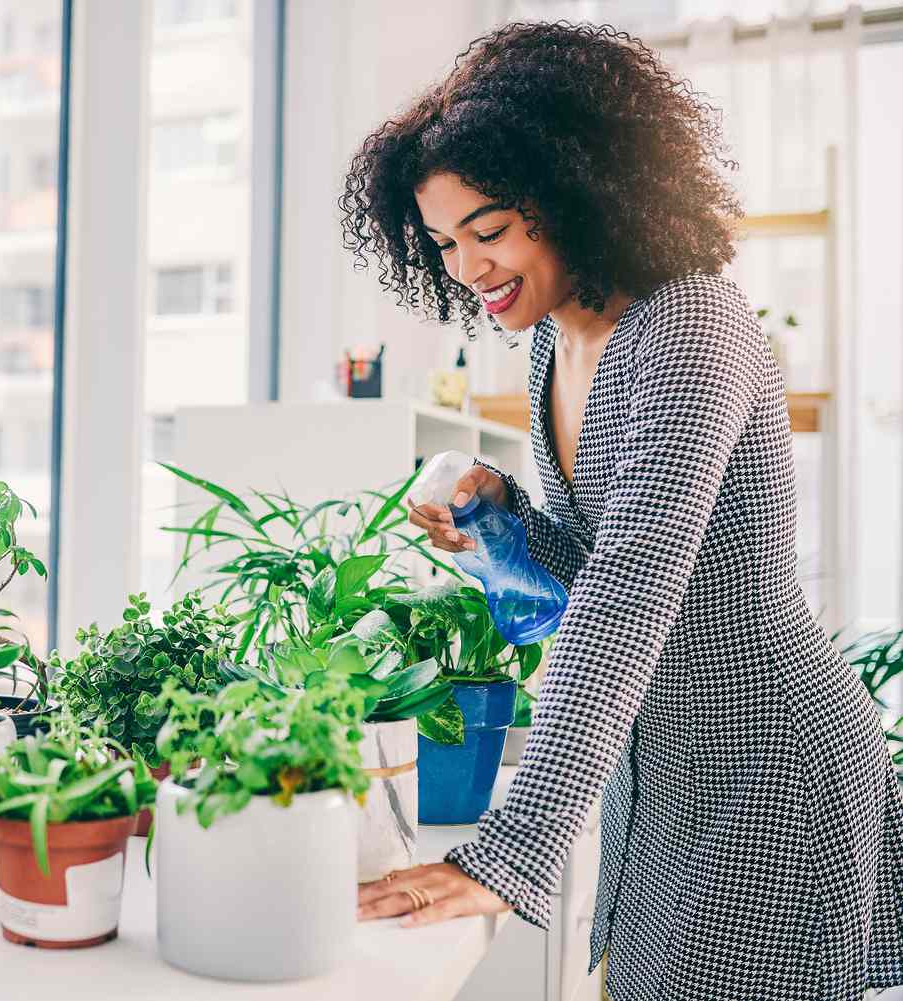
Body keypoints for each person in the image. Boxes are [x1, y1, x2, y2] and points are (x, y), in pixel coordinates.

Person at [339, 21, 902, 1001]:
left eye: (489, 229)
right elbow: (593, 571)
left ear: (574, 190)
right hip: (661, 766)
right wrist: (503, 521)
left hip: (768, 759)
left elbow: (631, 597)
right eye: (443, 243)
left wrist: (507, 852)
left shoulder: (691, 325)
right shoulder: (556, 342)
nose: (469, 268)